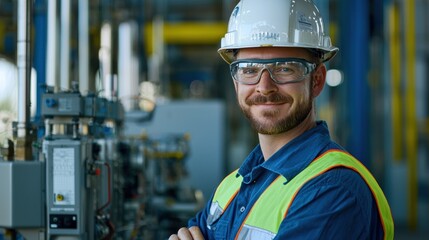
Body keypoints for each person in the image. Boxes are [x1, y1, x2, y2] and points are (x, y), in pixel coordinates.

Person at [169, 0, 394, 239]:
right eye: (249, 69)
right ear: (236, 82)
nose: (264, 87)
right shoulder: (233, 185)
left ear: (316, 80)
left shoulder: (333, 189)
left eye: (285, 68)